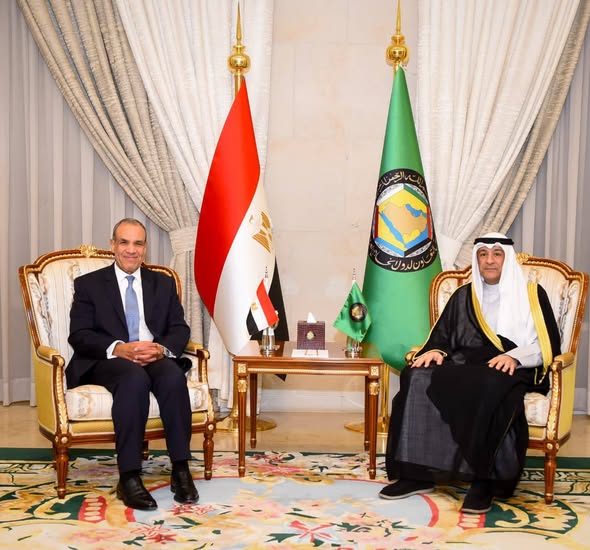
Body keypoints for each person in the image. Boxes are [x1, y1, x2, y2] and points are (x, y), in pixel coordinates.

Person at [379, 233, 561, 514]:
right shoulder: (464, 295)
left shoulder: (533, 295)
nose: (489, 260)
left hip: (513, 367)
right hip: (467, 363)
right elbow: (444, 336)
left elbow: (546, 344)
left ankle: (484, 480)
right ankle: (417, 474)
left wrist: (514, 357)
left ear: (507, 258)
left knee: (489, 384)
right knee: (416, 375)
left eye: (497, 254)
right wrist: (436, 351)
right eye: (483, 254)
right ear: (476, 259)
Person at [68, 218, 198, 511]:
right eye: (124, 242)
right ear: (112, 245)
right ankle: (129, 476)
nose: (131, 250)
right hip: (108, 360)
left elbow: (179, 328)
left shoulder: (162, 283)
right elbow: (80, 334)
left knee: (172, 376)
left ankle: (180, 469)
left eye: (138, 243)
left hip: (152, 356)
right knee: (132, 378)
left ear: (145, 248)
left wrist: (160, 349)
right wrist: (118, 348)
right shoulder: (89, 285)